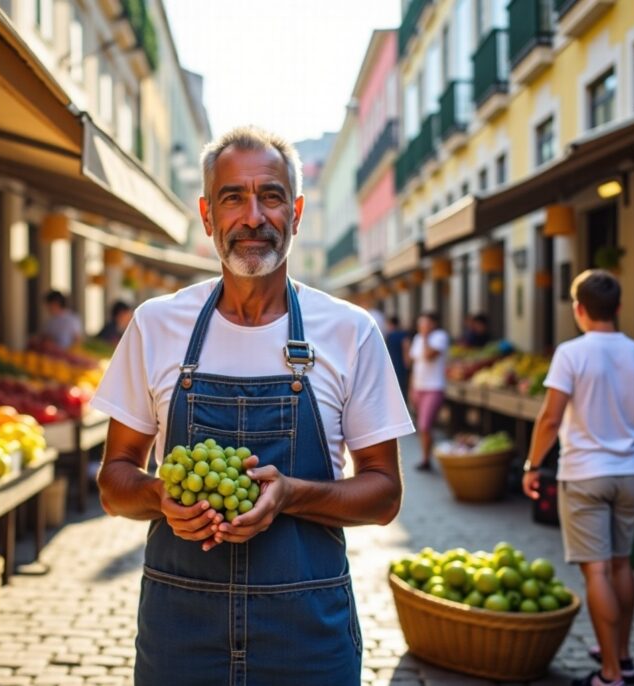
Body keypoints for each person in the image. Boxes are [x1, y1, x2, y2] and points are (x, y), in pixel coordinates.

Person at [93, 126, 412, 684]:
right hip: (180, 631)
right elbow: (113, 481)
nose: (253, 216)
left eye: (271, 195)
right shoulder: (155, 325)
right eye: (232, 197)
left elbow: (383, 494)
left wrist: (290, 496)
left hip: (306, 634)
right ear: (207, 214)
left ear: (297, 211)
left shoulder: (348, 331)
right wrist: (160, 496)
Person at [522, 270, 634, 686]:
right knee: (621, 565)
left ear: (579, 308)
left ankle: (610, 675)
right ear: (617, 308)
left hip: (584, 475)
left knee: (596, 572)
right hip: (629, 474)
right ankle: (623, 655)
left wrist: (532, 465)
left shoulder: (571, 353)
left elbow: (550, 418)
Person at [407, 312, 449, 471]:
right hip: (419, 388)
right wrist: (411, 388)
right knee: (422, 426)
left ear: (433, 324)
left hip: (434, 388)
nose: (421, 327)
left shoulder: (439, 337)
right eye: (420, 324)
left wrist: (425, 337)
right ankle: (426, 456)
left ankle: (426, 459)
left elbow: (428, 356)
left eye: (425, 323)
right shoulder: (418, 338)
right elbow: (414, 364)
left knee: (425, 426)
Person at [384, 316, 411, 401]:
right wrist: (408, 365)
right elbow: (406, 349)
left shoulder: (388, 336)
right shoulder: (402, 335)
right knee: (403, 389)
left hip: (393, 365)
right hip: (401, 366)